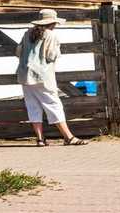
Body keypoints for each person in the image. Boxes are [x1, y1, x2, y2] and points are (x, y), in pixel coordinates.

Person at [16, 8, 88, 146]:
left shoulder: (27, 33)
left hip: (25, 75)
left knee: (33, 106)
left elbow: (18, 52)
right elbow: (51, 56)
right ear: (52, 23)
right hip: (42, 75)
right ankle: (68, 137)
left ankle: (40, 139)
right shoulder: (51, 35)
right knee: (54, 105)